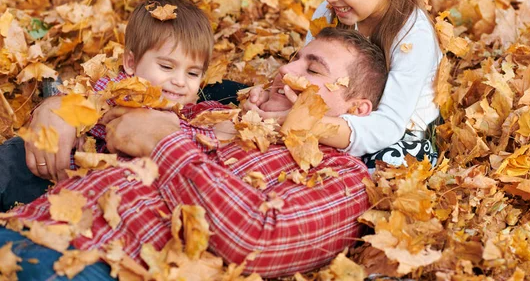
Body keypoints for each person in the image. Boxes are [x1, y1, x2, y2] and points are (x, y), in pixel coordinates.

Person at [0, 28, 386, 278]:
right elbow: (109, 125)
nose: (286, 71)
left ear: (356, 108)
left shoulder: (344, 177)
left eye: (313, 70)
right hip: (28, 221)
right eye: (294, 59)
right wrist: (62, 109)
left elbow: (258, 241)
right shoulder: (218, 112)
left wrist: (163, 143)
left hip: (94, 264)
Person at [246, 0, 442, 170]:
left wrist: (303, 122)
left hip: (397, 133)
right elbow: (306, 72)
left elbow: (387, 126)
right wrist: (271, 101)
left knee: (387, 166)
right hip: (338, 109)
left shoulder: (412, 36)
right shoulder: (329, 12)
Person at [0, 0, 213, 210]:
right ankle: (52, 86)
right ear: (131, 63)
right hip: (50, 171)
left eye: (193, 73)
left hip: (94, 200)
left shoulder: (189, 116)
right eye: (166, 67)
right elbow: (80, 99)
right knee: (10, 161)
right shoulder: (119, 89)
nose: (179, 82)